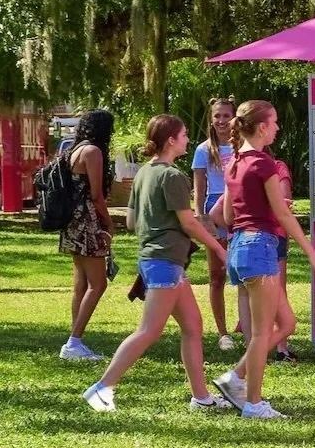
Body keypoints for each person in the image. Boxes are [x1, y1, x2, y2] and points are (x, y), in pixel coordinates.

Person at [82, 116, 233, 412]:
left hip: (159, 261)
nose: (188, 139)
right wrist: (218, 247)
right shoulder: (173, 177)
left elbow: (131, 221)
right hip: (164, 262)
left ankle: (201, 398)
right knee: (149, 331)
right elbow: (188, 222)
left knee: (193, 326)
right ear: (171, 141)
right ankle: (101, 389)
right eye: (184, 134)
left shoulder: (143, 174)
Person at [210, 101, 315, 420]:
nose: (277, 127)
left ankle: (235, 377)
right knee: (263, 334)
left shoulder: (234, 162)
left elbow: (227, 215)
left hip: (240, 248)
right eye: (273, 122)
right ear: (261, 126)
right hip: (260, 247)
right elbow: (284, 215)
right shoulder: (263, 164)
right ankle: (254, 404)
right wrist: (312, 252)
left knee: (287, 323)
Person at [57, 109, 118, 362]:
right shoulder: (93, 152)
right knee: (98, 283)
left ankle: (75, 340)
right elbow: (96, 195)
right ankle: (73, 343)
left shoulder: (73, 150)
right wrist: (108, 222)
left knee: (81, 283)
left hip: (72, 221)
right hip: (87, 221)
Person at [192, 98, 240, 351]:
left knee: (246, 272)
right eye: (217, 116)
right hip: (214, 211)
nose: (221, 121)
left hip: (240, 209)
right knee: (216, 276)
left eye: (226, 116)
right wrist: (201, 217)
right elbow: (198, 188)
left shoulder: (243, 146)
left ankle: (248, 322)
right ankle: (223, 333)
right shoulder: (203, 150)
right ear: (211, 119)